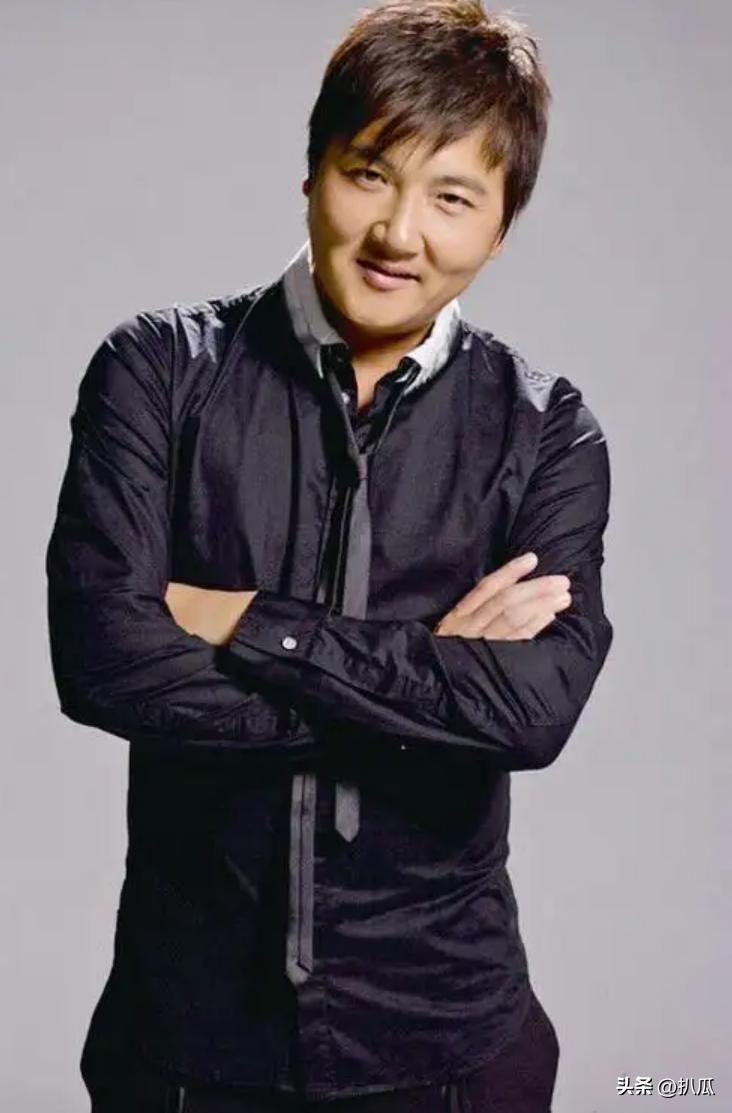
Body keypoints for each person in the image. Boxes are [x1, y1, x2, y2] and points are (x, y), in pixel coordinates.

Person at [45, 1, 614, 1110]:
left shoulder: (547, 430)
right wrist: (425, 677)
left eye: (452, 198)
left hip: (451, 1044)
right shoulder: (158, 373)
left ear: (501, 228)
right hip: (187, 1043)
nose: (400, 232)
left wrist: (246, 622)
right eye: (370, 174)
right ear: (311, 171)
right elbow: (103, 660)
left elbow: (532, 712)